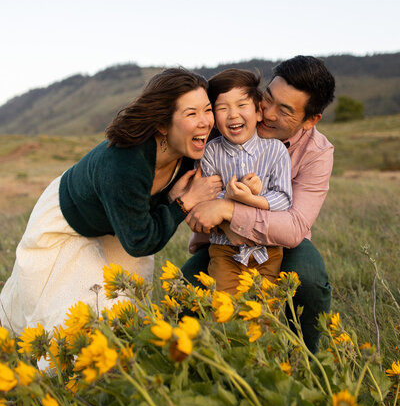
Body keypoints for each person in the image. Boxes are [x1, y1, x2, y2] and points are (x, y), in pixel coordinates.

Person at [0, 68, 222, 335]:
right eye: (191, 113)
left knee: (129, 306)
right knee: (83, 307)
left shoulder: (191, 149)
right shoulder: (125, 164)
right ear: (162, 124)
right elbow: (140, 241)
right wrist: (184, 202)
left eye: (207, 110)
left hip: (117, 224)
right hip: (70, 220)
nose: (205, 122)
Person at [182, 56, 335, 353]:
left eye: (285, 110)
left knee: (310, 279)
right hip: (222, 242)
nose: (267, 113)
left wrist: (228, 209)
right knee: (184, 288)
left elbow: (293, 228)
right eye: (268, 99)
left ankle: (304, 358)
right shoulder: (224, 129)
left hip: (281, 244)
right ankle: (203, 363)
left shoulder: (317, 152)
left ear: (310, 120)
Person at [200, 69, 292, 293]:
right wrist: (230, 197)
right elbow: (207, 198)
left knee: (267, 311)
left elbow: (283, 198)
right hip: (225, 251)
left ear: (259, 111)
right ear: (213, 117)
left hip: (267, 251)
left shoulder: (275, 150)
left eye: (242, 105)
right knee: (223, 306)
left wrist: (251, 199)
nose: (233, 114)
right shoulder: (211, 152)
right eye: (222, 108)